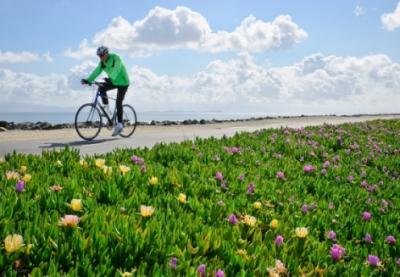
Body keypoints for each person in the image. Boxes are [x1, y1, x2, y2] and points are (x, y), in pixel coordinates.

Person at [81, 46, 130, 136]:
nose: (101, 57)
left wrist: (110, 78)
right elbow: (96, 72)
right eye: (99, 56)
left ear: (107, 53)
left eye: (102, 55)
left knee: (118, 102)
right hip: (114, 81)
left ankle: (119, 125)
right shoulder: (102, 63)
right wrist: (88, 80)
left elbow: (116, 70)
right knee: (101, 88)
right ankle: (107, 109)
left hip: (123, 82)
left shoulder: (115, 58)